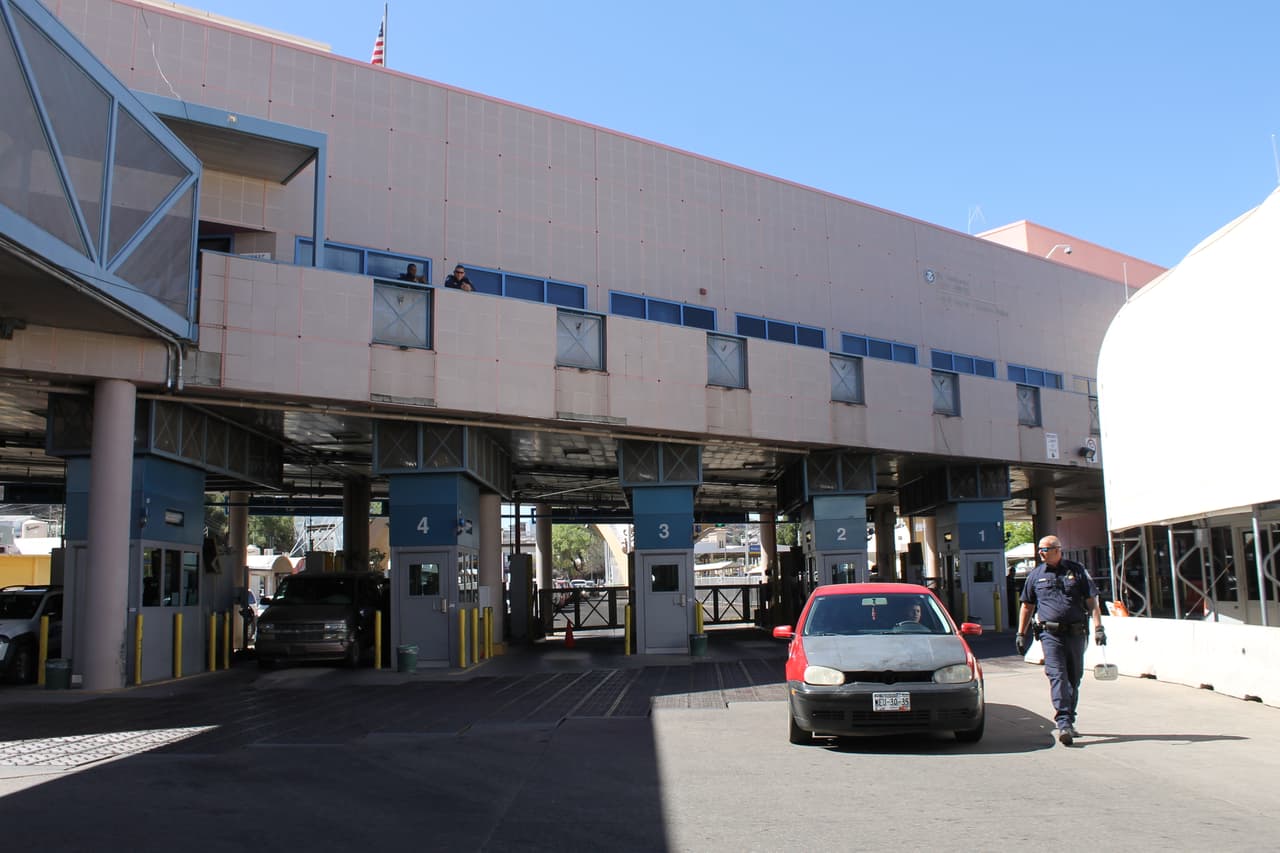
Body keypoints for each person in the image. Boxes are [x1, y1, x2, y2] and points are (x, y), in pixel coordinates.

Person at [1016, 535, 1106, 745]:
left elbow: (1091, 601)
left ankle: (1069, 718)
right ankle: (1063, 722)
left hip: (1076, 633)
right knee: (1057, 675)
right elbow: (1027, 606)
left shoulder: (1076, 571)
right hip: (1050, 635)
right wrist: (1021, 633)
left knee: (1074, 678)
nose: (1041, 553)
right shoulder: (1035, 575)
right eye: (1039, 549)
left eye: (1045, 549)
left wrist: (1099, 627)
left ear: (1058, 550)